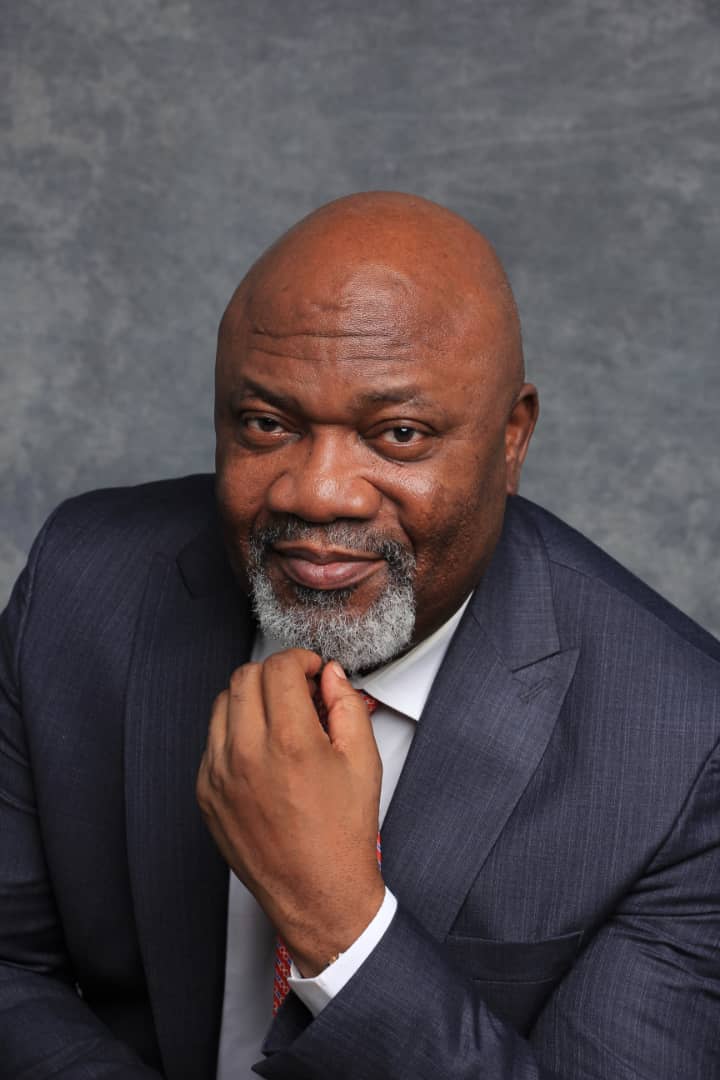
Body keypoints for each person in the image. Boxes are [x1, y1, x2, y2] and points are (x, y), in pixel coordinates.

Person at [1, 192, 719, 1080]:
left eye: (399, 435)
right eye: (267, 424)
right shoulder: (82, 584)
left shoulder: (687, 745)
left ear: (511, 438)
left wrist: (340, 925)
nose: (318, 492)